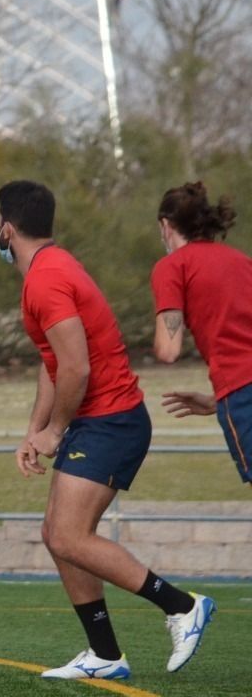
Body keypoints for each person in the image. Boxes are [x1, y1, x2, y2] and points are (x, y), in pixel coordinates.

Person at [0, 181, 214, 680]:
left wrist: (55, 431)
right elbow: (52, 364)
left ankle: (182, 606)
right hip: (96, 420)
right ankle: (105, 655)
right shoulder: (47, 270)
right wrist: (36, 429)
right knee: (57, 534)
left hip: (111, 420)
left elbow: (77, 370)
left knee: (69, 536)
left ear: (7, 227)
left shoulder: (47, 279)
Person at [147, 182, 252, 489]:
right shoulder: (240, 260)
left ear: (166, 226)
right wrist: (215, 401)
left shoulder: (172, 267)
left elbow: (169, 350)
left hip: (241, 391)